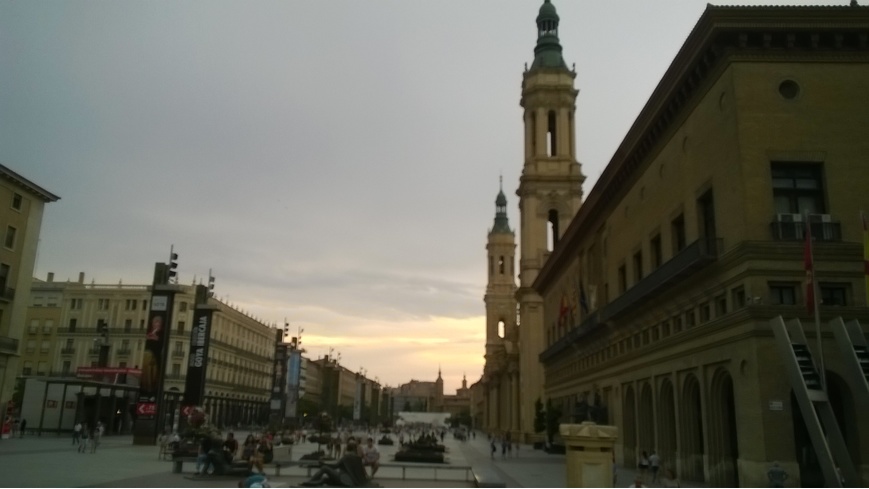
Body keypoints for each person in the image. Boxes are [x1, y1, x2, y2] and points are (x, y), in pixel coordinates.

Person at [300, 440, 368, 487]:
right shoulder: (358, 458)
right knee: (325, 480)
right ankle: (310, 484)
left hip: (343, 479)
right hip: (351, 481)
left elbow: (335, 466)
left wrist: (323, 464)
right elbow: (362, 471)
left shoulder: (346, 457)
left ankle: (309, 482)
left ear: (348, 448)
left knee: (324, 468)